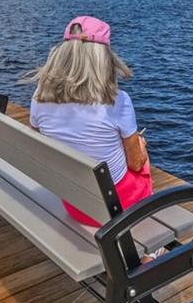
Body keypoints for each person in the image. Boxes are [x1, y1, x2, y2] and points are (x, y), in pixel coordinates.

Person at [27, 15, 153, 228]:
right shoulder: (117, 101)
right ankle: (152, 243)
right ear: (103, 57)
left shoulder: (40, 95)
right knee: (141, 155)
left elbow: (40, 137)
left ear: (64, 53)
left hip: (75, 202)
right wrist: (140, 145)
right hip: (115, 206)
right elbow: (136, 163)